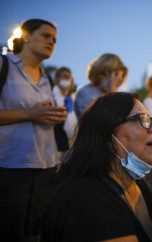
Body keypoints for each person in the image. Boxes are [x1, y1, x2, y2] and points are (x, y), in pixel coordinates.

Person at [41, 92, 152, 242]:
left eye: (151, 119)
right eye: (141, 119)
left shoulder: (136, 183)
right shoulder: (86, 200)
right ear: (108, 137)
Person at [0, 19, 67, 241]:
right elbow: (32, 113)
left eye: (54, 40)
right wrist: (29, 113)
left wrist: (54, 117)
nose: (51, 42)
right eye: (46, 35)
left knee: (38, 233)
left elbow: (42, 114)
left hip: (45, 166)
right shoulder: (4, 66)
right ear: (26, 36)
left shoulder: (46, 77)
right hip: (10, 167)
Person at [74, 53, 127, 118]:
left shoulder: (107, 92)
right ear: (102, 74)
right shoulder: (85, 93)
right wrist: (112, 88)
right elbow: (100, 121)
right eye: (116, 75)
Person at [53, 66, 77, 142]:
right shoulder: (51, 95)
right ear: (56, 79)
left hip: (74, 142)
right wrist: (68, 96)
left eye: (69, 76)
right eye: (64, 76)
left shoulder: (74, 97)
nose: (67, 79)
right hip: (57, 142)